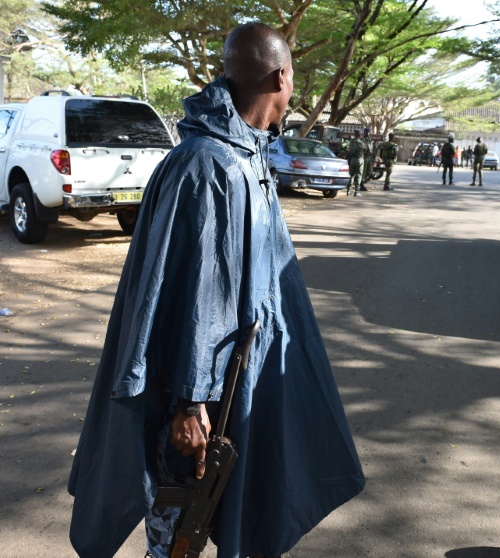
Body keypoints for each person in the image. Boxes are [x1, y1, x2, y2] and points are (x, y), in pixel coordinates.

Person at [68, 22, 366, 558]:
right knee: (179, 518)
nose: (293, 86)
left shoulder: (246, 155)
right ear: (281, 76)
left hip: (231, 382)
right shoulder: (209, 166)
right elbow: (197, 296)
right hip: (198, 393)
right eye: (293, 75)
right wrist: (189, 403)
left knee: (215, 509)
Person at [347, 129, 365, 196]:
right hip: (359, 159)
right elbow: (365, 150)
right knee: (359, 175)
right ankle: (356, 191)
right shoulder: (361, 143)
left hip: (352, 159)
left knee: (351, 175)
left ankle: (348, 190)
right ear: (360, 135)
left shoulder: (351, 141)